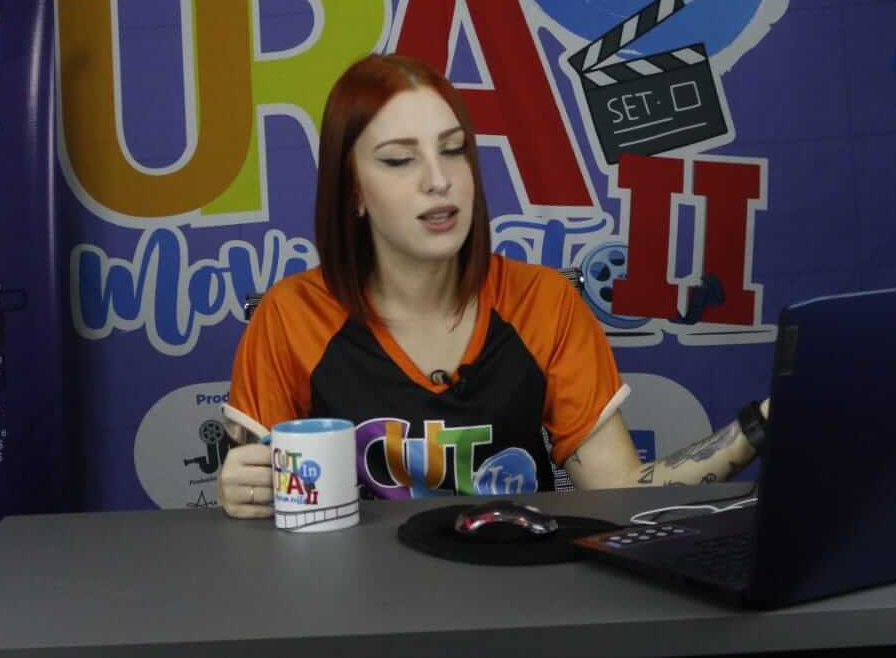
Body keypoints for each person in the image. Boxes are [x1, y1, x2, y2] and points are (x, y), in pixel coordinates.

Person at [218, 54, 767, 518]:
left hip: (521, 590)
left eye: (453, 149)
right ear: (352, 191)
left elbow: (621, 497)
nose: (439, 180)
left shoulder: (543, 302)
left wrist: (762, 425)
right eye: (399, 159)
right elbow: (258, 522)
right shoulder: (290, 317)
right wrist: (244, 493)